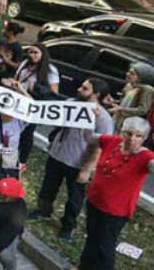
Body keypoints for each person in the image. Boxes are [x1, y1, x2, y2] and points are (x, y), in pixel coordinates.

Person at [76, 116, 154, 269]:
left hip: (115, 211)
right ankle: (84, 266)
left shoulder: (145, 156)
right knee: (92, 238)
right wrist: (90, 117)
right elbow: (89, 136)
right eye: (128, 133)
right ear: (122, 132)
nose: (132, 139)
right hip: (94, 201)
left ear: (144, 138)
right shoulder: (112, 141)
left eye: (138, 136)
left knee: (104, 246)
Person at [29, 78, 114, 241]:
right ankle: (43, 211)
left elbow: (101, 146)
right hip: (57, 154)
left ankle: (68, 226)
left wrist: (88, 168)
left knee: (74, 197)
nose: (79, 89)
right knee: (48, 186)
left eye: (85, 88)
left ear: (96, 94)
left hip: (78, 162)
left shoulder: (104, 119)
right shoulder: (71, 103)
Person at [7, 42, 60, 165]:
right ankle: (9, 154)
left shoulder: (50, 70)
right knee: (12, 129)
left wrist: (35, 89)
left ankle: (22, 160)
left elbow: (54, 94)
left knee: (27, 133)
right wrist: (12, 84)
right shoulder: (25, 63)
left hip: (33, 105)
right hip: (17, 101)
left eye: (36, 52)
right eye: (30, 52)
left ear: (43, 54)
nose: (33, 55)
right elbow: (16, 77)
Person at [109, 63, 154, 131]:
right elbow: (123, 102)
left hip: (132, 124)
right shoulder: (129, 86)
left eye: (132, 74)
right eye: (128, 72)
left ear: (141, 77)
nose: (128, 74)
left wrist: (121, 110)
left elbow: (142, 110)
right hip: (118, 119)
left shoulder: (147, 90)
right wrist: (112, 101)